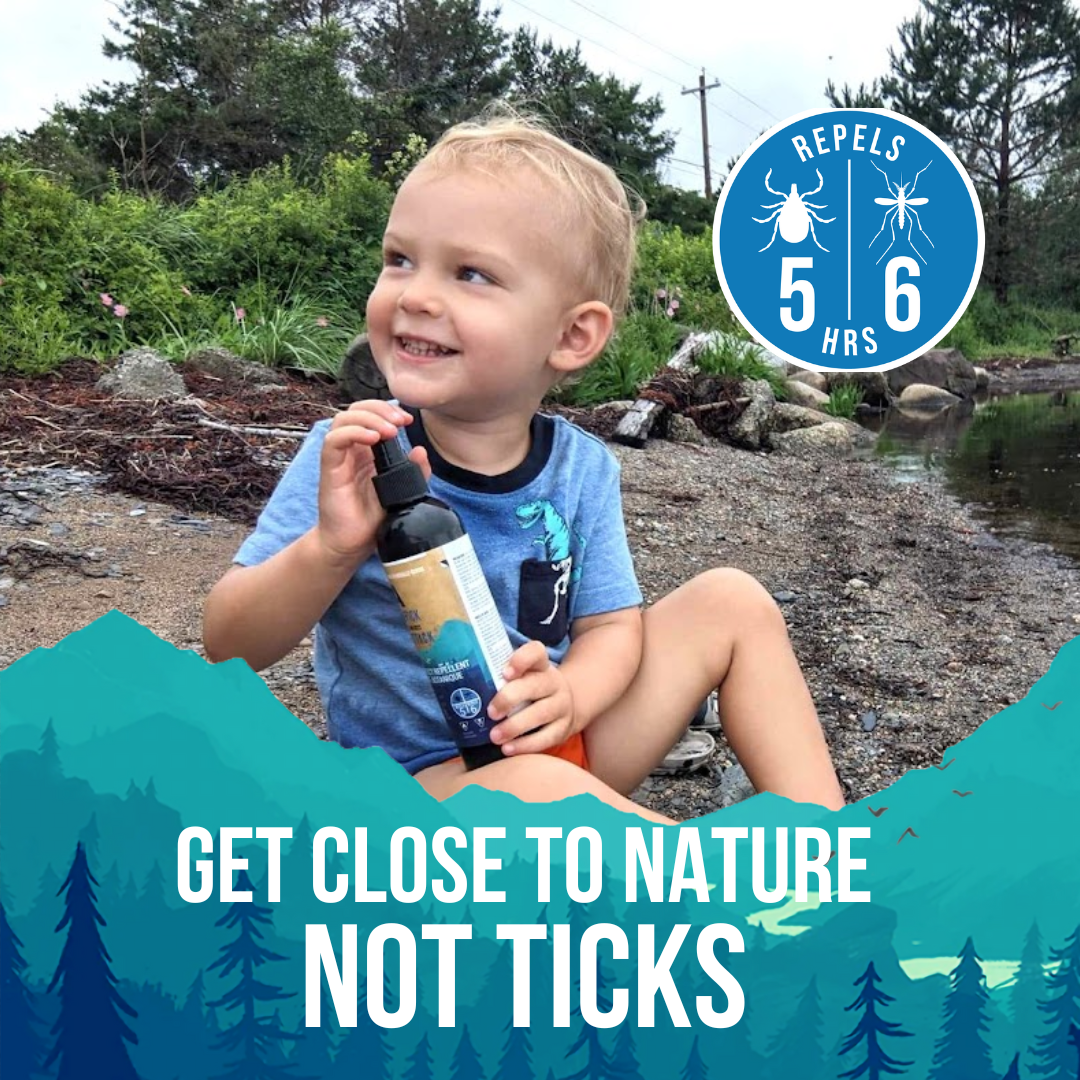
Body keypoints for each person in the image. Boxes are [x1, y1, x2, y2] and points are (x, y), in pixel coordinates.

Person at [203, 108, 846, 823]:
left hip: (558, 745)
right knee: (535, 792)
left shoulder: (581, 467)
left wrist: (572, 696)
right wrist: (329, 548)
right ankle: (734, 898)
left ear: (572, 336)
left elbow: (611, 630)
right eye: (399, 260)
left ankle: (823, 841)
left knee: (733, 601)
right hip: (423, 799)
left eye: (470, 273)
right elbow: (229, 644)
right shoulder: (351, 456)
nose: (414, 294)